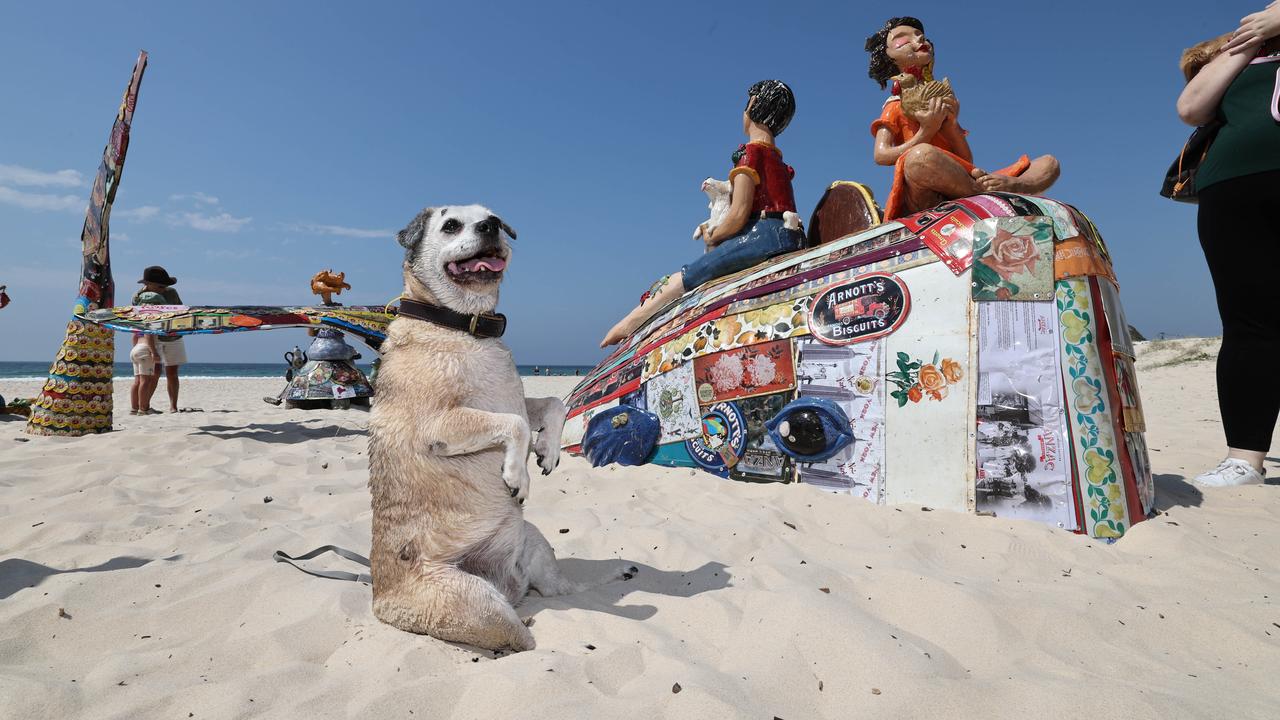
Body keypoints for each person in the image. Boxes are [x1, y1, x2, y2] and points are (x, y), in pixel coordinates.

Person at [601, 80, 804, 346]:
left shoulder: (751, 154)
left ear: (752, 108)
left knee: (689, 274)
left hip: (763, 236)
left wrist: (714, 235)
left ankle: (631, 323)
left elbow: (740, 212)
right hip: (791, 234)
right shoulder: (779, 161)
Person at [1176, 2, 1280, 487]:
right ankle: (1245, 459)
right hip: (1233, 190)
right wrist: (1253, 41)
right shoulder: (1243, 52)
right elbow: (1190, 107)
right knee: (1248, 323)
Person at [865, 17, 1060, 220]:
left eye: (919, 35)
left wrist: (951, 125)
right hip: (925, 186)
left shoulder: (941, 97)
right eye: (903, 39)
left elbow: (966, 160)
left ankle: (1010, 186)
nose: (919, 38)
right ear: (889, 57)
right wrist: (926, 132)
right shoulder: (894, 105)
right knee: (919, 157)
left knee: (1048, 163)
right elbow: (881, 155)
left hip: (961, 178)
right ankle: (980, 193)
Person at [134, 266, 188, 413]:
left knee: (172, 372)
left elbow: (181, 312)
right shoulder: (138, 297)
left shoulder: (171, 293)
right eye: (160, 286)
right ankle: (144, 406)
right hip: (152, 338)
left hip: (173, 335)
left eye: (165, 286)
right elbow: (138, 321)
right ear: (148, 284)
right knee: (154, 371)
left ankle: (173, 406)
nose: (164, 289)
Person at [128, 291, 164, 415]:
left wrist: (136, 349)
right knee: (146, 380)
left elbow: (134, 336)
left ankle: (134, 408)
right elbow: (149, 334)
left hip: (136, 348)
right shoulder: (153, 318)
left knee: (137, 381)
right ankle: (143, 409)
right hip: (145, 349)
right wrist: (153, 352)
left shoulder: (139, 319)